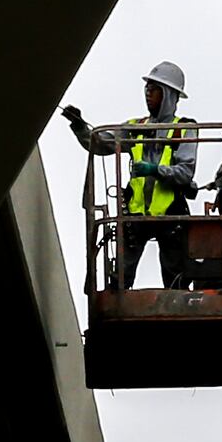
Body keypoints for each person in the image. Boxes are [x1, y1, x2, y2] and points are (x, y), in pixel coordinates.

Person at [63, 61, 198, 288]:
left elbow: (185, 173)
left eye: (154, 90)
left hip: (170, 215)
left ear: (169, 95)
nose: (148, 94)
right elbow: (100, 144)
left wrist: (154, 170)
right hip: (135, 213)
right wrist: (79, 127)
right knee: (121, 279)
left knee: (176, 280)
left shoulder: (184, 128)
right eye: (147, 89)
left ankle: (179, 312)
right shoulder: (136, 126)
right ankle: (116, 307)